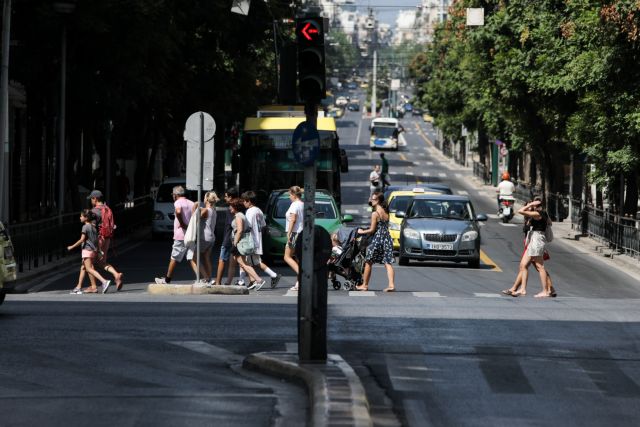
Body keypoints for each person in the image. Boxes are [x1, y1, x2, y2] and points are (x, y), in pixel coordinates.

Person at [502, 198, 556, 297]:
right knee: (523, 265)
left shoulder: (538, 214)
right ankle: (522, 289)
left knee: (540, 267)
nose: (531, 206)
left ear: (537, 206)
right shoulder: (542, 214)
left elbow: (520, 211)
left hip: (537, 239)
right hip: (533, 240)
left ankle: (545, 290)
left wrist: (529, 204)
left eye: (533, 205)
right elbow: (549, 223)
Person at [79, 190, 123, 293]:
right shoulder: (108, 208)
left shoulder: (94, 211)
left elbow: (91, 228)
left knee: (88, 263)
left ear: (95, 199)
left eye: (91, 199)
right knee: (101, 262)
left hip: (98, 239)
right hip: (107, 238)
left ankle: (94, 286)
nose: (91, 201)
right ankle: (116, 274)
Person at [356, 191, 396, 292]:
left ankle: (364, 285)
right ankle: (391, 285)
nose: (371, 201)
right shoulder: (386, 212)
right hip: (387, 238)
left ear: (377, 201)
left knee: (368, 261)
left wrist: (362, 231)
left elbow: (372, 230)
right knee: (388, 262)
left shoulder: (375, 213)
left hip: (378, 239)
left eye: (373, 199)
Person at [241, 191, 281, 289]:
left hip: (251, 241)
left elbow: (248, 226)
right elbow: (263, 225)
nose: (243, 203)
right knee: (252, 262)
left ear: (249, 201)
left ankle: (244, 281)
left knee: (246, 262)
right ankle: (252, 280)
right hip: (257, 239)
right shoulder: (258, 210)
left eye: (244, 201)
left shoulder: (249, 212)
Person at [155, 186, 194, 284]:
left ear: (175, 195)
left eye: (173, 195)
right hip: (190, 234)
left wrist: (182, 223)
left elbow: (178, 211)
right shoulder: (191, 203)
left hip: (180, 235)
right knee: (192, 258)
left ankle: (167, 279)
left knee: (174, 258)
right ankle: (202, 278)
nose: (173, 196)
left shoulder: (177, 202)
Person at [68, 210, 112, 294]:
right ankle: (79, 287)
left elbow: (82, 240)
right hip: (93, 250)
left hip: (87, 250)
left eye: (81, 216)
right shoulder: (93, 227)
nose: (80, 217)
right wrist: (99, 251)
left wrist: (72, 247)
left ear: (86, 218)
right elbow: (96, 240)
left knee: (88, 268)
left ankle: (104, 281)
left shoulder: (85, 227)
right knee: (83, 267)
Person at [229, 198, 266, 290]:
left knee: (243, 263)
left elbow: (240, 230)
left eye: (231, 206)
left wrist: (234, 244)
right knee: (243, 263)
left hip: (240, 243)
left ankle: (258, 280)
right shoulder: (240, 215)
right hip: (241, 242)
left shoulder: (238, 216)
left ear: (235, 207)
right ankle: (254, 280)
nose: (229, 208)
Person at [188, 191, 219, 282]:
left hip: (204, 238)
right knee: (206, 258)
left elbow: (194, 218)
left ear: (206, 199)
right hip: (211, 238)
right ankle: (209, 278)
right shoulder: (214, 210)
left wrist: (194, 206)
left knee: (192, 257)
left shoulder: (205, 210)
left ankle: (205, 278)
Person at [214, 187, 239, 286]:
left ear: (230, 197)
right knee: (238, 262)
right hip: (235, 238)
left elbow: (231, 223)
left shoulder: (231, 208)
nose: (225, 198)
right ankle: (228, 281)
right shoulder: (240, 206)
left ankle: (218, 281)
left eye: (226, 196)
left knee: (222, 259)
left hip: (229, 238)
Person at [284, 186, 304, 291]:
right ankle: (299, 283)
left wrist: (289, 233)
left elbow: (293, 219)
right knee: (299, 259)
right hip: (302, 233)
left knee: (287, 256)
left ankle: (302, 276)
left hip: (295, 233)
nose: (289, 197)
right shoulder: (303, 204)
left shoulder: (294, 205)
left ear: (294, 194)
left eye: (289, 195)